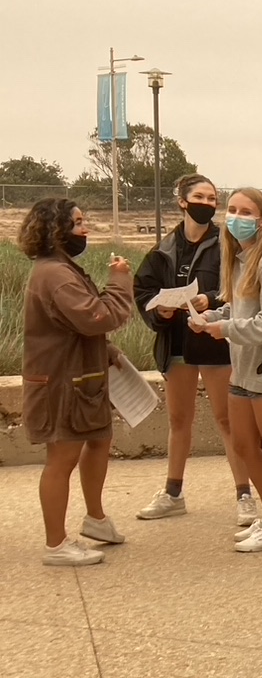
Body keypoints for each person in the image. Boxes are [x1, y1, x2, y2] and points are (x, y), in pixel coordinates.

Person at [133, 174, 258, 527]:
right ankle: (173, 493)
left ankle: (244, 494)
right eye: (200, 196)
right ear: (182, 201)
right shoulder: (164, 248)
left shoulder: (227, 243)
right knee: (178, 420)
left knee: (227, 419)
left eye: (212, 197)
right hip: (176, 343)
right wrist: (161, 309)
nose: (207, 203)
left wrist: (212, 298)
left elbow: (242, 285)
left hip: (215, 341)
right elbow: (143, 291)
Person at [191, 188, 262, 553]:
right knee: (243, 444)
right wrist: (212, 316)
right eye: (232, 210)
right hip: (243, 368)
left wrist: (223, 330)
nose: (236, 217)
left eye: (246, 211)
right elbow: (239, 310)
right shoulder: (239, 259)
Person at [20, 198, 133, 566]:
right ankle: (56, 544)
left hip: (81, 379)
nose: (86, 229)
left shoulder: (61, 268)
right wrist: (119, 284)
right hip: (60, 384)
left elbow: (76, 326)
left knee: (99, 440)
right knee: (62, 457)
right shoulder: (54, 274)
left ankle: (96, 520)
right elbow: (96, 317)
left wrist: (109, 353)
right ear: (56, 230)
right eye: (78, 222)